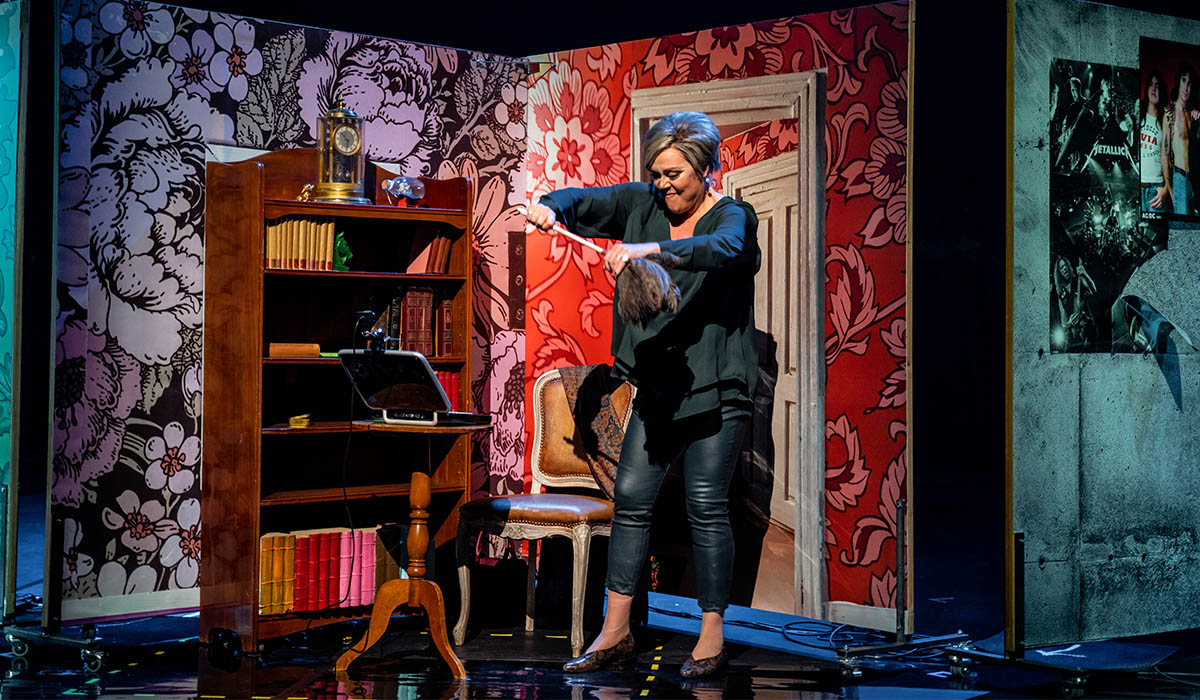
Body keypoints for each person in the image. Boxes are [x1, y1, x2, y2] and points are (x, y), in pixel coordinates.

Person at [525, 111, 759, 678]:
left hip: (715, 389)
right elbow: (585, 201)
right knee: (631, 501)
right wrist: (551, 207)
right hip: (658, 388)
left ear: (705, 168)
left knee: (706, 505)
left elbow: (722, 248)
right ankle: (616, 632)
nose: (664, 185)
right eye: (657, 173)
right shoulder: (642, 203)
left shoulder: (734, 217)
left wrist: (648, 252)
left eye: (675, 174)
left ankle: (711, 635)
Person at [1163, 63, 1195, 216]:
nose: (1186, 87)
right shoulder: (1170, 113)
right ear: (1178, 82)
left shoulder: (1192, 114)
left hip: (1193, 181)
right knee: (1182, 225)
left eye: (1190, 83)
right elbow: (1164, 153)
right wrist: (1169, 187)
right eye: (1183, 80)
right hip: (1179, 178)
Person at [1140, 69, 1170, 215]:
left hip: (1156, 190)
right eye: (1151, 84)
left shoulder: (1166, 120)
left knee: (1156, 229)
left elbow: (1170, 158)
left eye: (1157, 86)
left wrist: (1166, 189)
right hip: (1136, 187)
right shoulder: (1137, 114)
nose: (1153, 88)